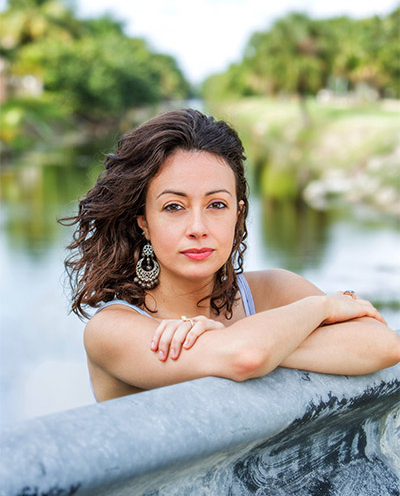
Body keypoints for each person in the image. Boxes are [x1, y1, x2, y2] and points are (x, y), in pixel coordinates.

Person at [62, 109, 400, 403]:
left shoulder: (270, 291)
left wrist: (260, 343)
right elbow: (247, 355)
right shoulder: (112, 329)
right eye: (174, 207)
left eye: (217, 205)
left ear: (238, 214)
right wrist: (321, 307)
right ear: (144, 223)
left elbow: (383, 344)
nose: (198, 227)